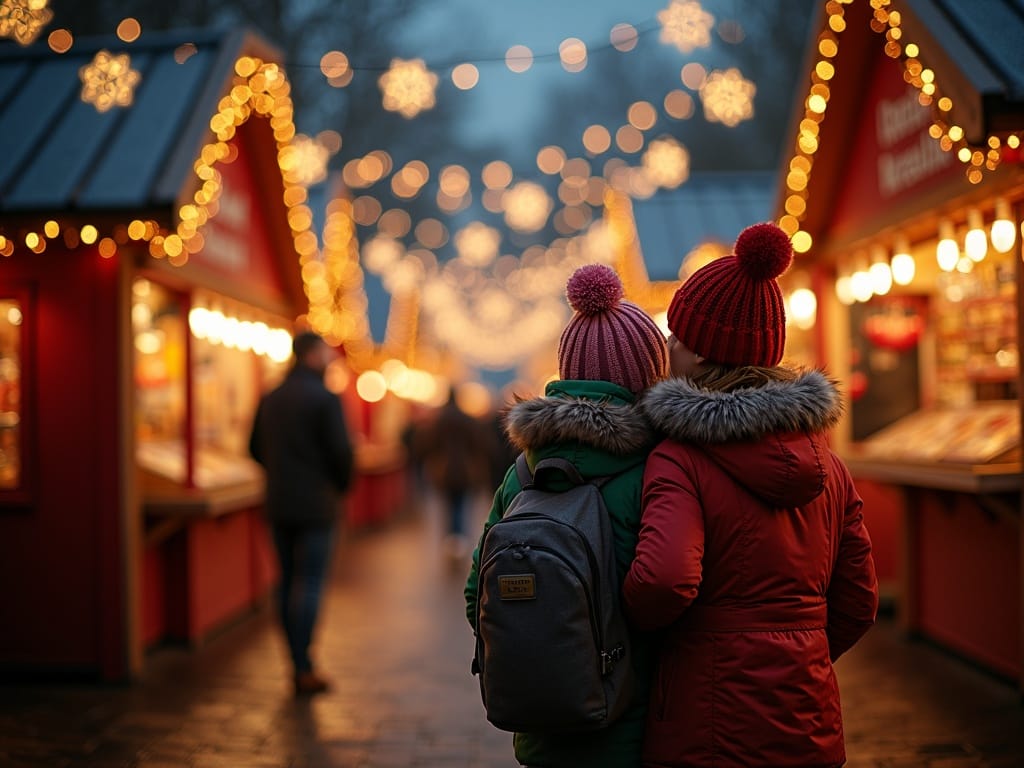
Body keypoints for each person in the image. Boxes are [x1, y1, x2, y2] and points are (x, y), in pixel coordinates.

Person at [623, 222, 879, 767]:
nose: (667, 344)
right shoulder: (828, 465)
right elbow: (859, 600)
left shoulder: (680, 458)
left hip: (707, 714)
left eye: (678, 334)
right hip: (807, 713)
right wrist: (798, 646)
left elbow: (665, 581)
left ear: (703, 353)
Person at [465, 263, 669, 768]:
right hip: (629, 720)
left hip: (538, 719)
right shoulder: (656, 469)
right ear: (648, 376)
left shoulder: (523, 472)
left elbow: (477, 595)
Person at [249, 331, 354, 696]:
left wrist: (281, 474)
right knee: (309, 583)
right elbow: (342, 453)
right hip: (316, 505)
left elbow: (254, 448)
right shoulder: (325, 399)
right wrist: (336, 488)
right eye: (325, 353)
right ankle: (305, 665)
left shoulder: (271, 397)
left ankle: (292, 660)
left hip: (278, 502)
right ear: (312, 355)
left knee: (285, 581)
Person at [412, 385, 494, 559]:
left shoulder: (438, 420)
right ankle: (459, 539)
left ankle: (450, 537)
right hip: (466, 470)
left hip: (443, 470)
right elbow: (481, 444)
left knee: (447, 506)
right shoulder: (467, 419)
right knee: (461, 504)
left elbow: (425, 444)